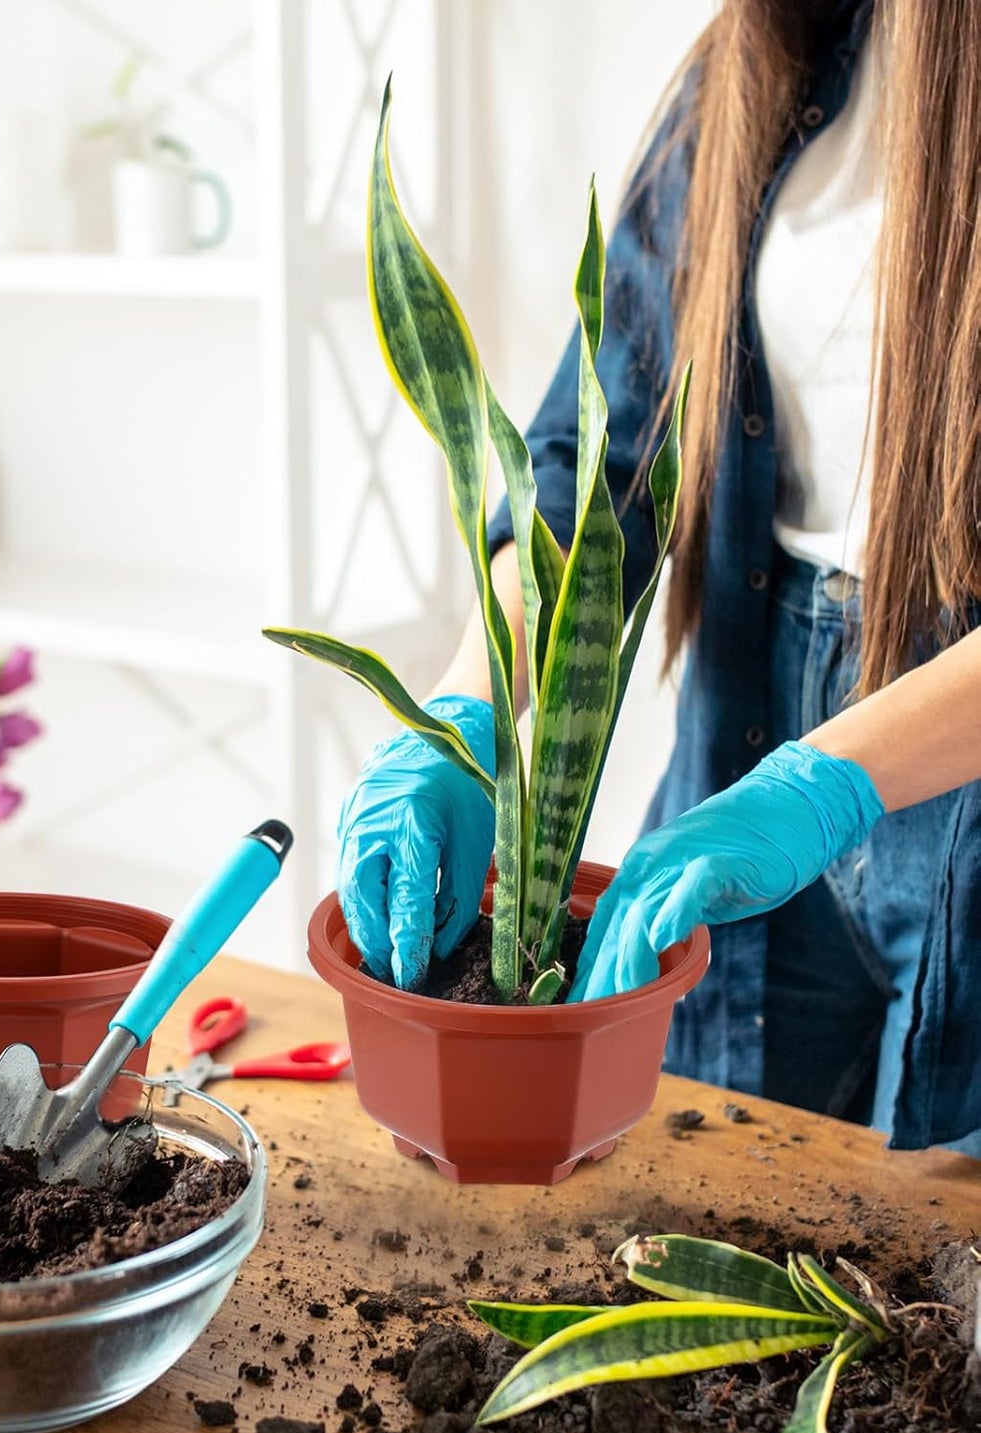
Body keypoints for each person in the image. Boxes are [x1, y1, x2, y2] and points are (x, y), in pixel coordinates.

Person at [336, 0, 981, 1155]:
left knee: (930, 1265)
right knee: (698, 1173)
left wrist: (830, 782)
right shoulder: (765, 56)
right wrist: (465, 711)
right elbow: (604, 461)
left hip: (949, 750)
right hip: (751, 708)